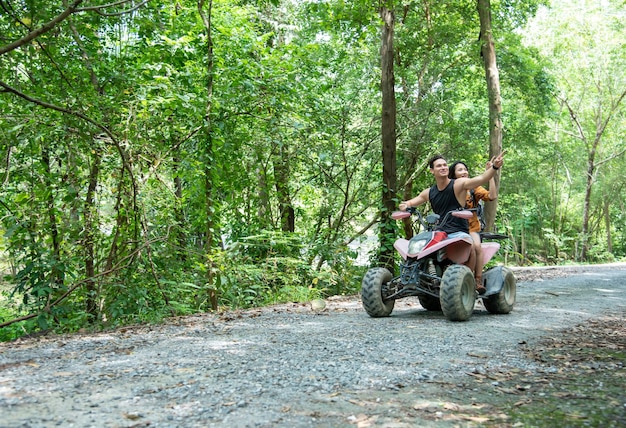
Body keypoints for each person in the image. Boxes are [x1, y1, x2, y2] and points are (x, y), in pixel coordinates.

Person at [398, 152, 504, 292]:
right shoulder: (429, 192)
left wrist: (494, 168)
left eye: (444, 165)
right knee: (419, 249)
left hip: (459, 232)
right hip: (439, 232)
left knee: (472, 247)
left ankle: (469, 282)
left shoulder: (458, 184)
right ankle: (421, 276)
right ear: (432, 171)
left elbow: (481, 179)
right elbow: (410, 202)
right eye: (438, 166)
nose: (443, 167)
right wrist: (405, 206)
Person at [448, 160, 498, 293]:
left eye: (465, 169)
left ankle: (476, 279)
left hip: (470, 227)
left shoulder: (473, 187)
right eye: (460, 170)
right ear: (453, 174)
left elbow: (492, 196)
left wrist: (490, 175)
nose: (464, 172)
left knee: (475, 246)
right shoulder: (448, 187)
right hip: (449, 226)